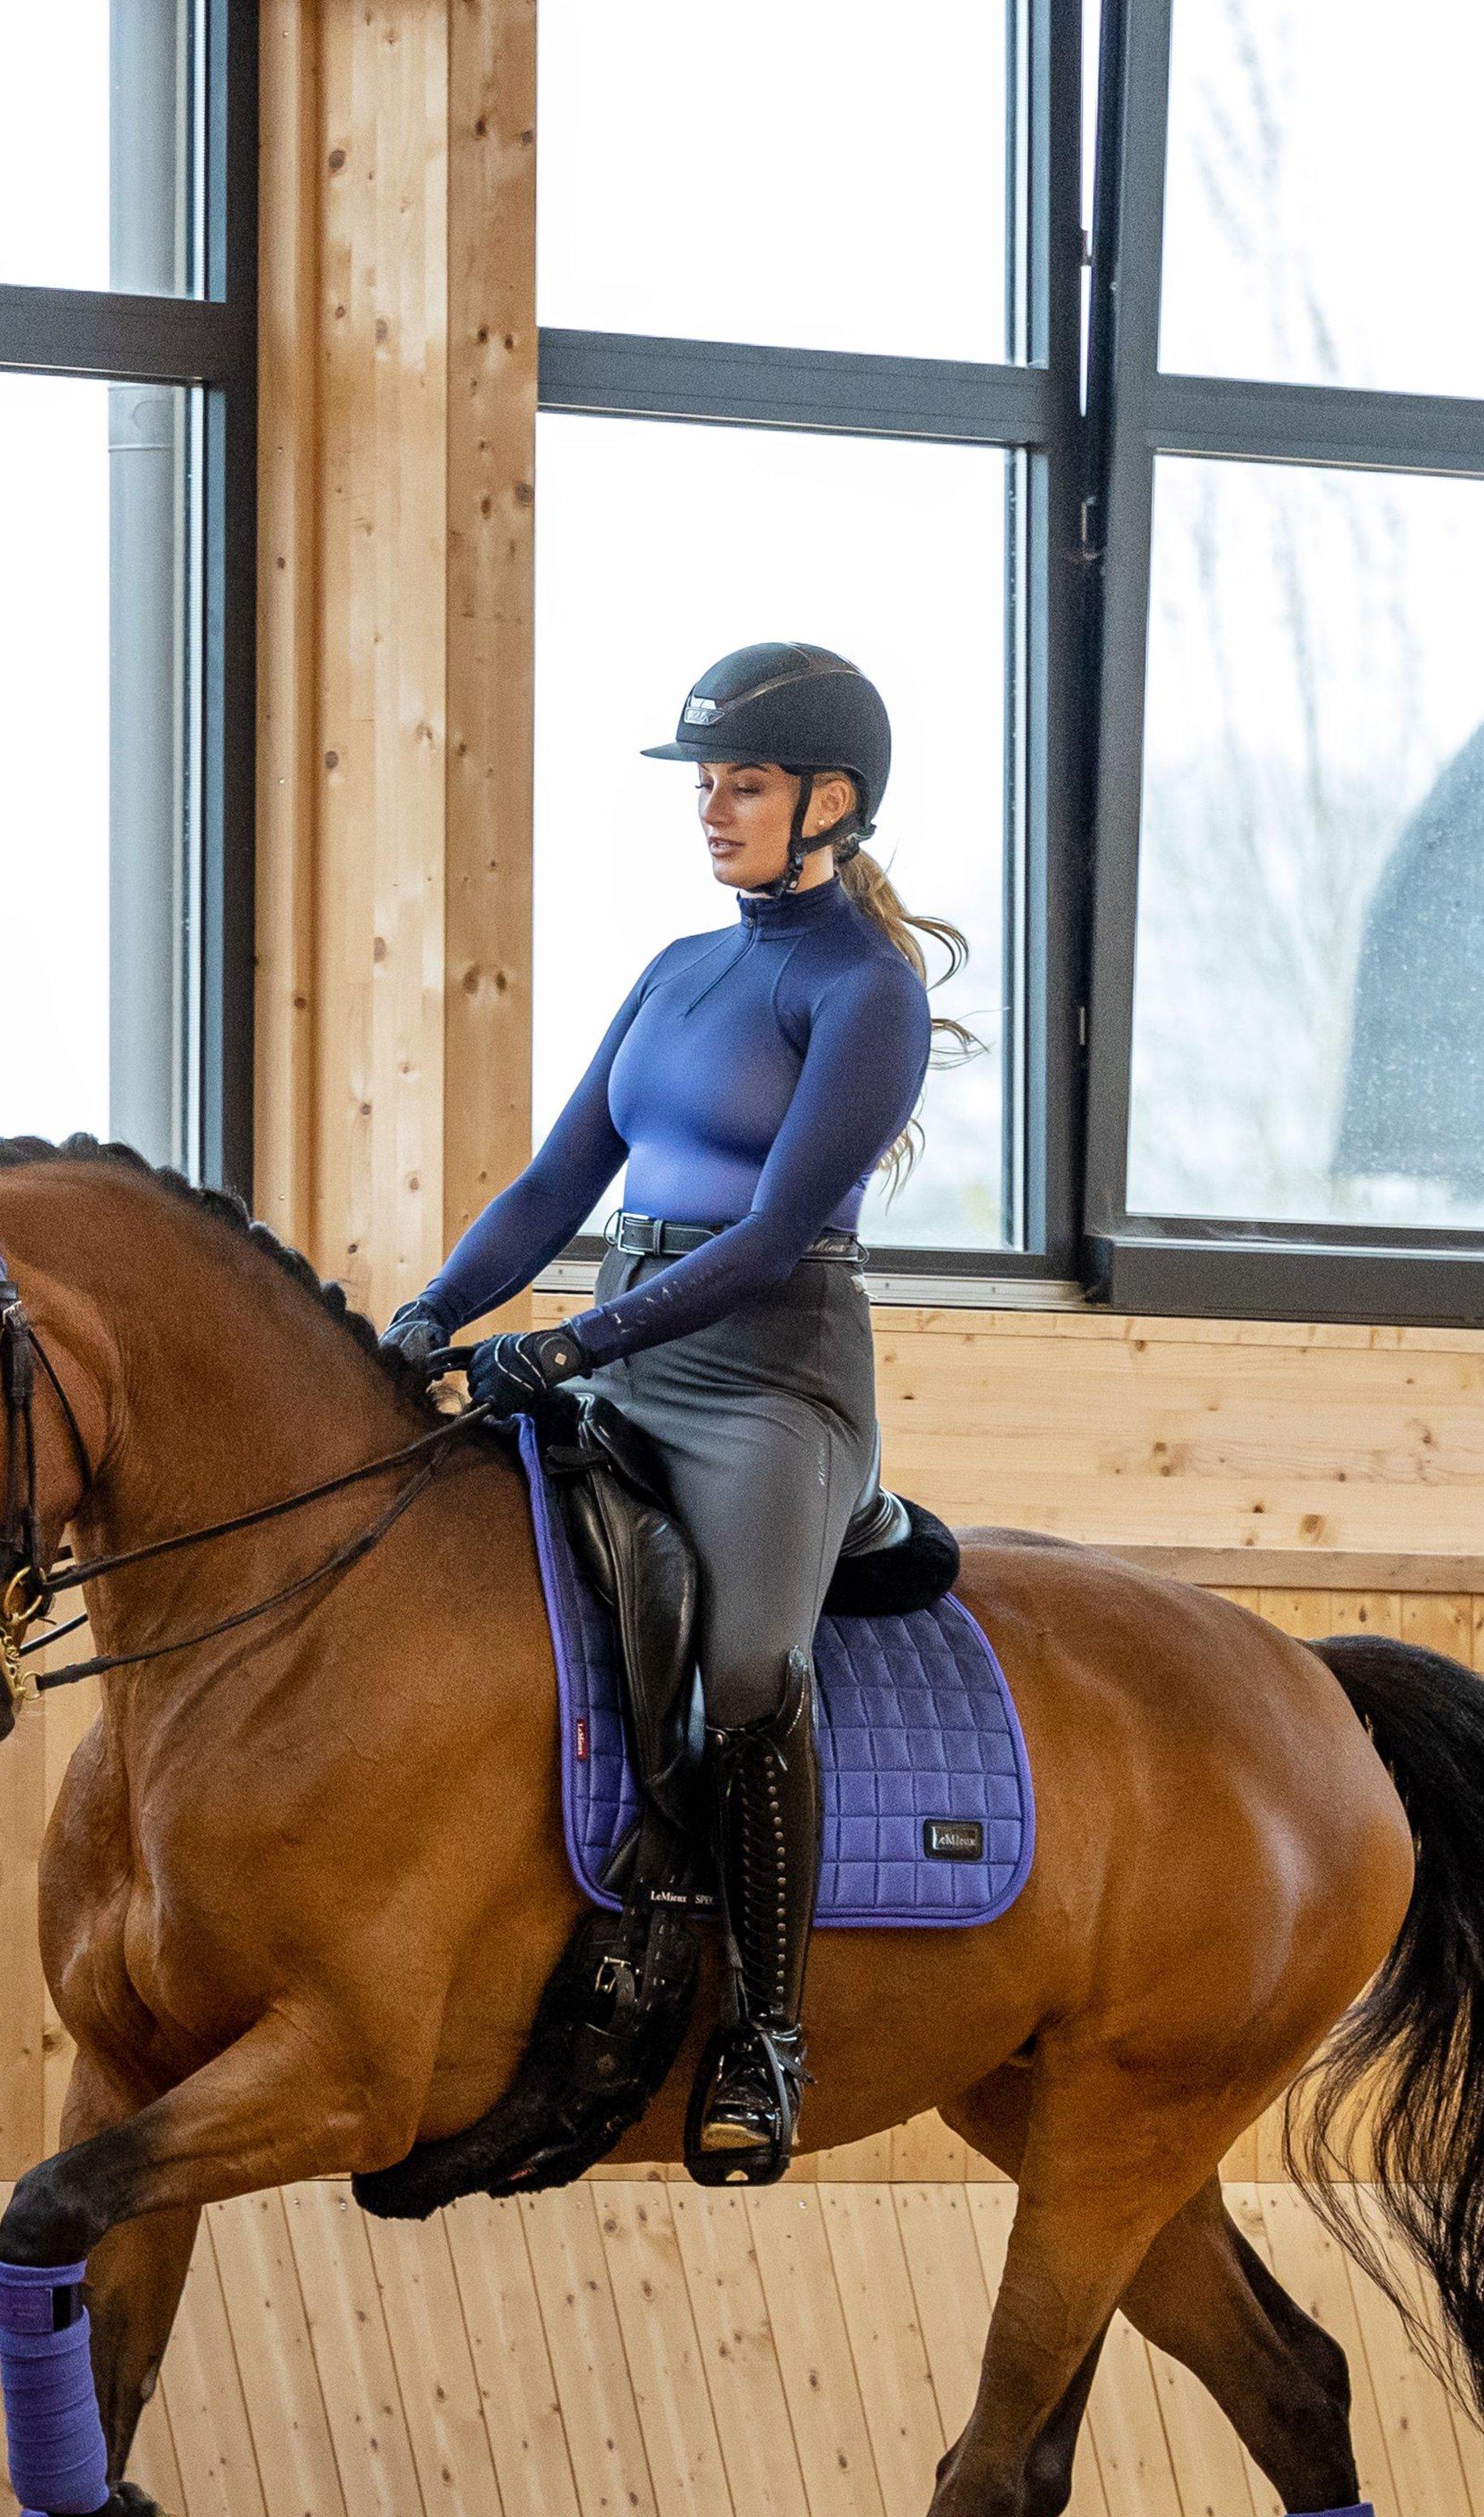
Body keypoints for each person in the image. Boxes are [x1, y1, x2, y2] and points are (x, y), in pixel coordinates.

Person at [383, 639, 965, 2187]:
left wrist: (566, 1348)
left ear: (830, 802)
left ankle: (766, 2034)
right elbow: (555, 1184)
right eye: (706, 784)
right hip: (627, 1337)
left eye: (746, 786)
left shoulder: (867, 992)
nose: (713, 811)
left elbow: (772, 1238)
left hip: (769, 1371)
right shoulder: (676, 972)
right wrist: (434, 1314)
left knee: (749, 1666)